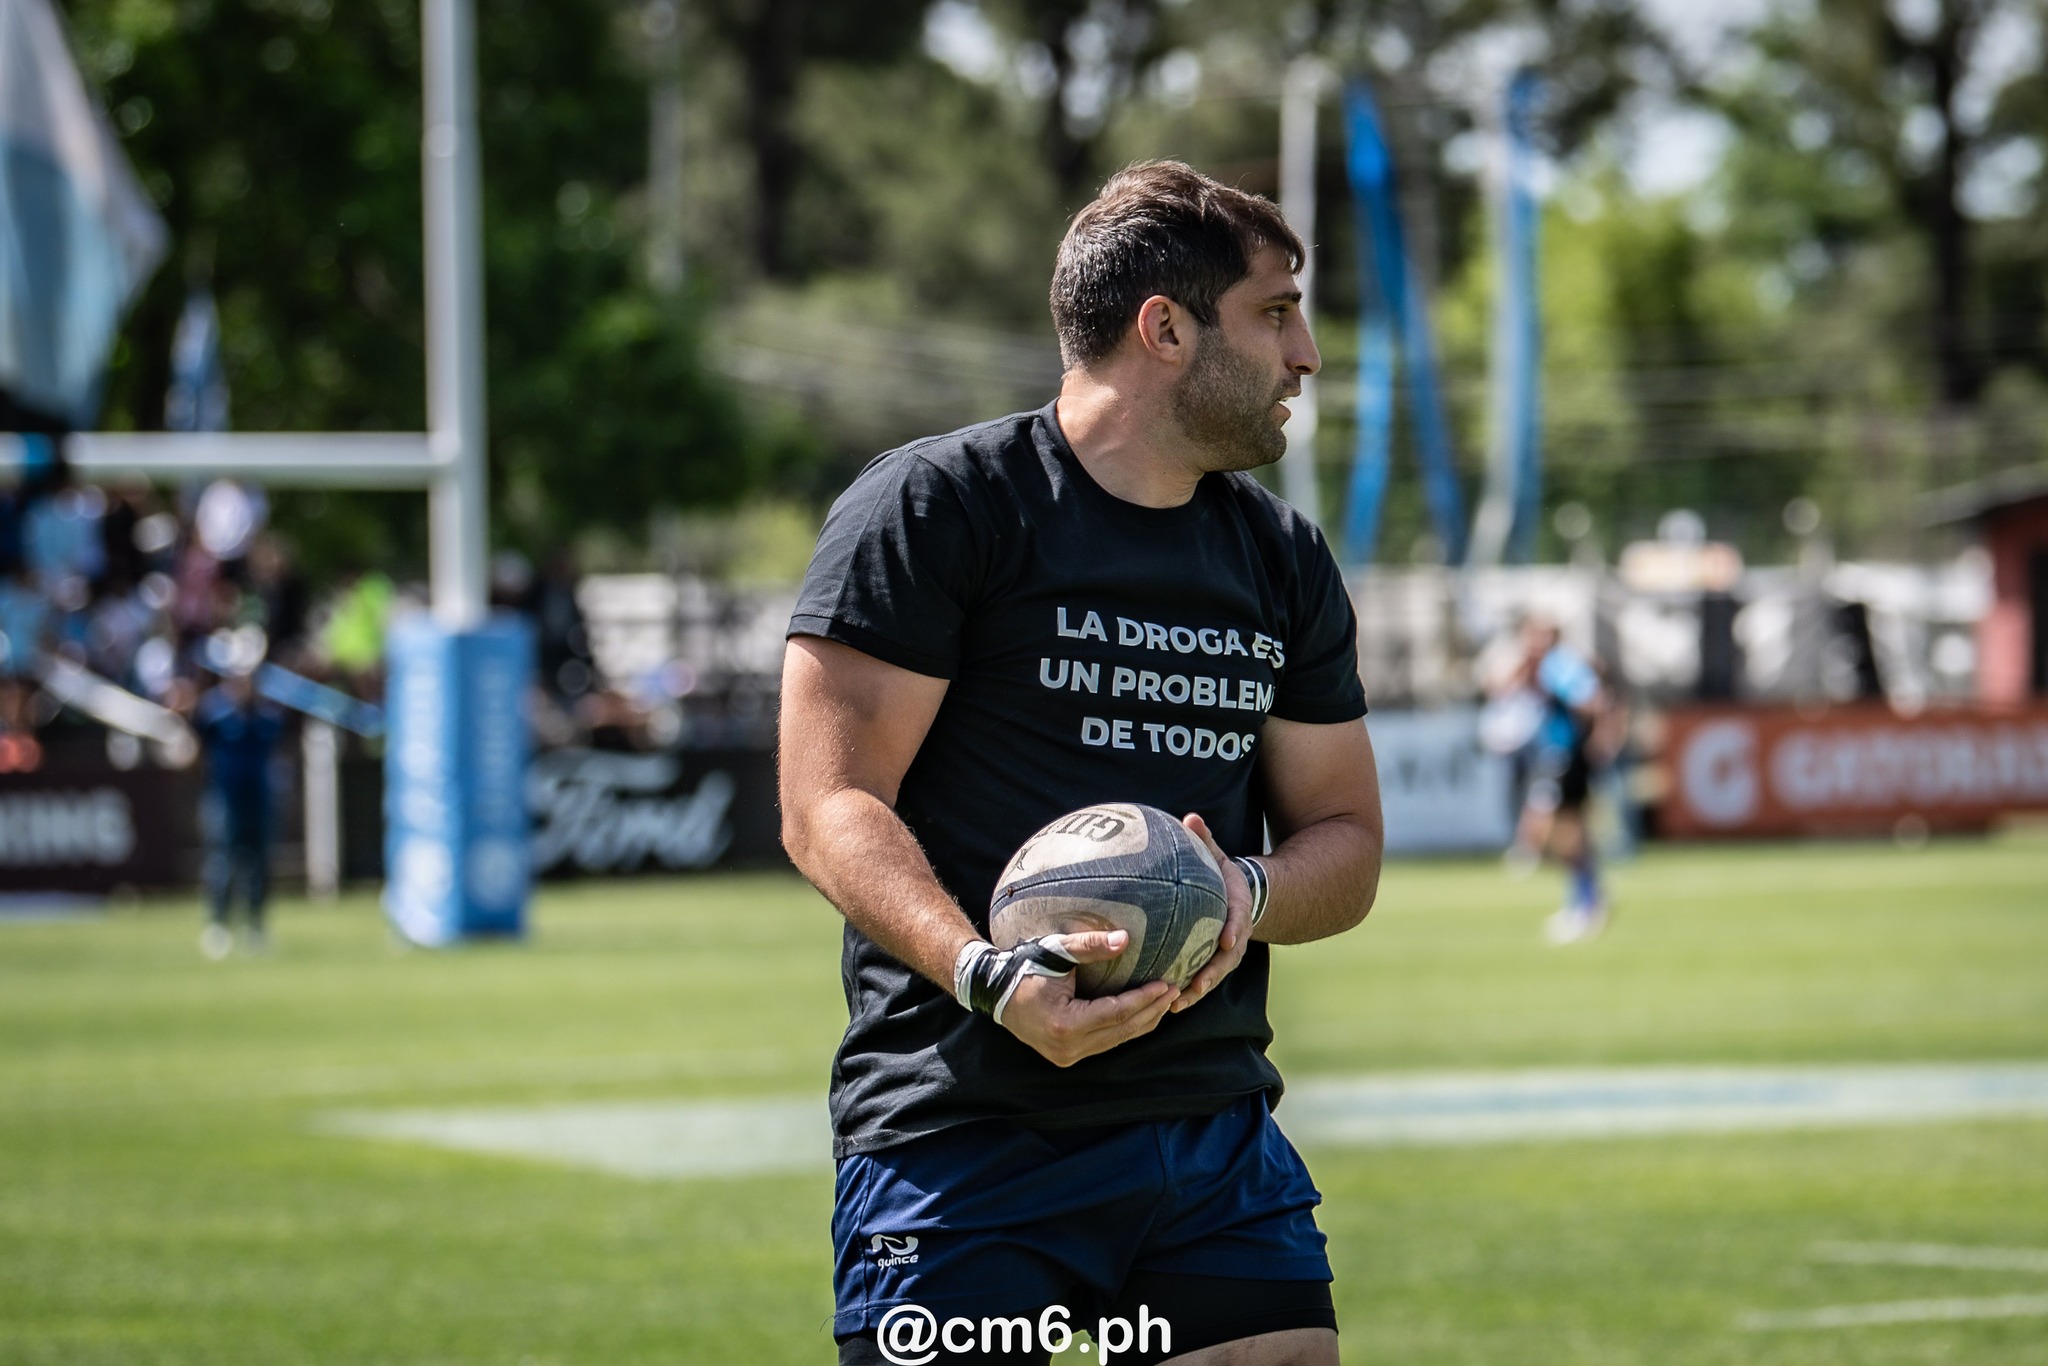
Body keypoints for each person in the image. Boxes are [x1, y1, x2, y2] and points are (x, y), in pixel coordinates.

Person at [779, 162, 1384, 1366]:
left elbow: (1346, 838)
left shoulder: (1279, 558)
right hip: (963, 1129)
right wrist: (987, 976)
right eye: (1274, 313)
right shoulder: (939, 507)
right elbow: (825, 801)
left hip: (1207, 1130)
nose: (1305, 356)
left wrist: (1242, 891)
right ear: (1164, 328)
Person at [1487, 615, 1620, 944]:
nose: (1533, 643)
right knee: (1569, 833)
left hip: (1566, 755)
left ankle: (1588, 901)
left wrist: (1594, 737)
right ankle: (1585, 900)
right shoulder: (1542, 665)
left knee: (1556, 834)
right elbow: (1498, 688)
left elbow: (1593, 701)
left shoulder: (1559, 665)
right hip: (1555, 754)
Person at [189, 667, 285, 958]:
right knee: (222, 860)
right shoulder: (214, 713)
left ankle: (255, 925)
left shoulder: (266, 716)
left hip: (258, 798)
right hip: (224, 797)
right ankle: (218, 924)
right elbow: (194, 742)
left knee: (258, 862)